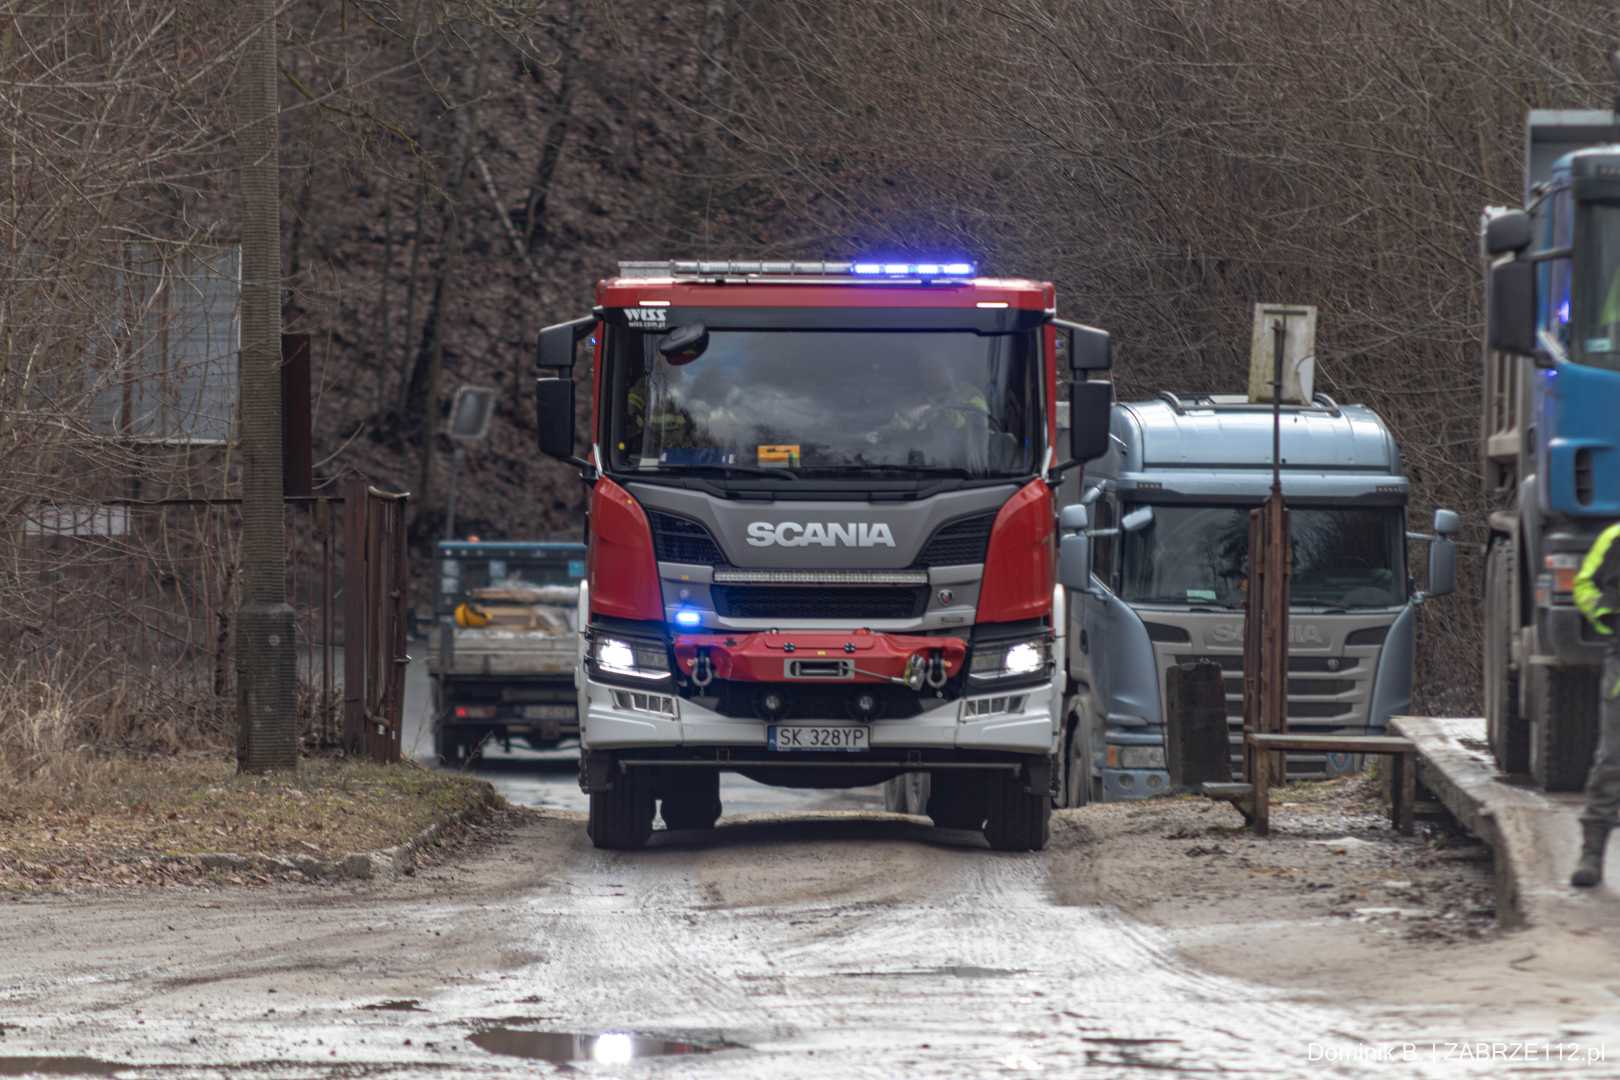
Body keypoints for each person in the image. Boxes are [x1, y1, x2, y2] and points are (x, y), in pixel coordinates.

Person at [1571, 521, 1620, 887]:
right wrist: (1608, 619)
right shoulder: (1615, 537)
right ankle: (1591, 853)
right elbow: (1585, 584)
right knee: (1612, 761)